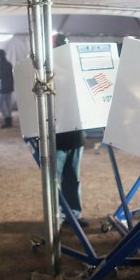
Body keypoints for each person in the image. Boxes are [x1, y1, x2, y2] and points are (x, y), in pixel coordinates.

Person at [53, 33, 89, 228]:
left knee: (71, 178)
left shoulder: (77, 71)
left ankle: (72, 214)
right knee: (54, 180)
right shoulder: (47, 72)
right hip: (56, 135)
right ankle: (57, 216)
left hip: (74, 134)